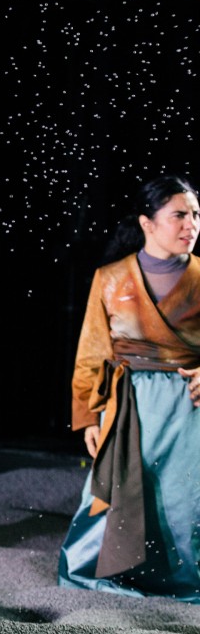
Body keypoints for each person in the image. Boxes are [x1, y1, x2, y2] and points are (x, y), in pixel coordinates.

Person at [61, 174, 200, 603]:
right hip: (127, 407)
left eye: (196, 215)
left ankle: (184, 583)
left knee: (185, 499)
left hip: (190, 408)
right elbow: (92, 352)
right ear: (147, 222)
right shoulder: (110, 278)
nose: (191, 225)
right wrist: (88, 416)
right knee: (117, 492)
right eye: (179, 215)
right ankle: (103, 575)